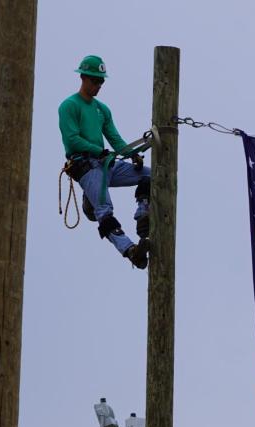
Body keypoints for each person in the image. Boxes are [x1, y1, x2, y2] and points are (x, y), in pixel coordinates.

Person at [60, 55, 151, 269]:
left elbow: (116, 140)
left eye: (101, 81)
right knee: (105, 210)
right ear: (83, 77)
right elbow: (72, 139)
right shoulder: (69, 106)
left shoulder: (102, 109)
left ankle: (143, 215)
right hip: (86, 166)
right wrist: (98, 151)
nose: (98, 85)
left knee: (151, 175)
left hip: (106, 164)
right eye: (94, 80)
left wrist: (133, 154)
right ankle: (130, 250)